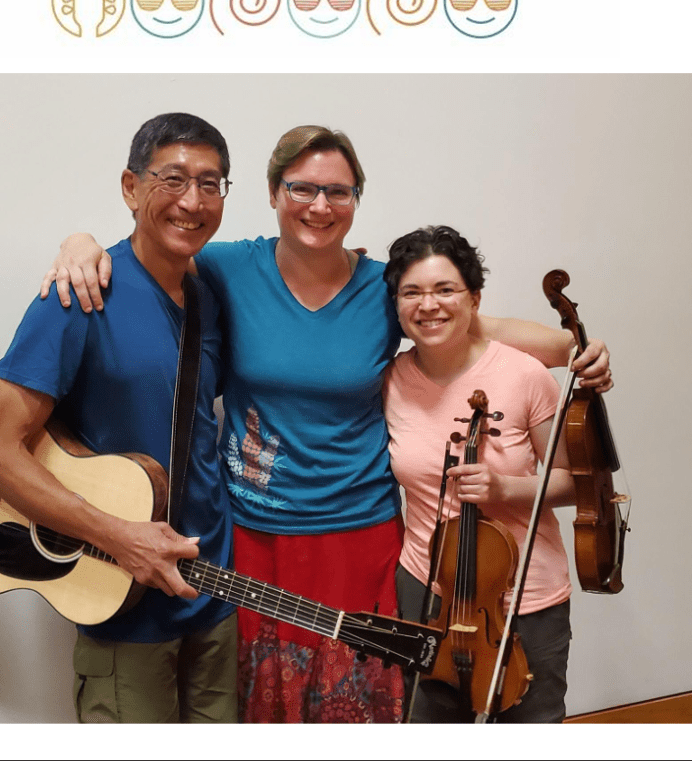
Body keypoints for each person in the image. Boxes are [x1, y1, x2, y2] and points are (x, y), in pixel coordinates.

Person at [41, 125, 611, 723]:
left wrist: (577, 348)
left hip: (361, 534)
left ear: (356, 199)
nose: (320, 206)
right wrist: (82, 243)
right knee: (264, 705)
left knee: (358, 707)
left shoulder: (383, 289)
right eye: (302, 188)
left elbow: (475, 326)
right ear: (273, 192)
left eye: (338, 191)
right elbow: (150, 251)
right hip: (254, 533)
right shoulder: (228, 267)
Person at [0, 113, 238, 724]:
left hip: (215, 594)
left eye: (210, 183)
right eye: (173, 179)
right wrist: (118, 536)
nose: (193, 201)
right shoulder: (78, 295)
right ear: (130, 187)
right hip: (123, 608)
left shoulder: (211, 296)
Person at [382, 225, 574, 723]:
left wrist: (505, 487)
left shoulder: (525, 375)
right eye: (412, 292)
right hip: (428, 590)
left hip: (522, 596)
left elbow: (573, 480)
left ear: (474, 299)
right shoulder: (392, 380)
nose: (429, 305)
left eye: (445, 289)